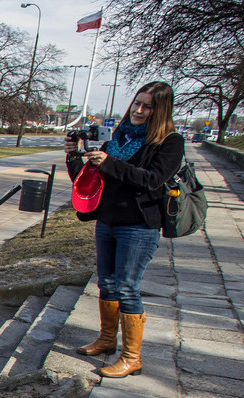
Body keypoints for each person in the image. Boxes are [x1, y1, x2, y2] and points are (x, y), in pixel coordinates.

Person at [67, 81, 184, 378]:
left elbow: (152, 180)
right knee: (106, 284)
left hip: (138, 226)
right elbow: (90, 180)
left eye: (147, 106)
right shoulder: (117, 137)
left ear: (160, 111)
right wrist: (73, 156)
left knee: (127, 288)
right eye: (137, 103)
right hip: (108, 221)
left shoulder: (169, 142)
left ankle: (132, 357)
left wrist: (111, 163)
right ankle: (107, 340)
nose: (139, 110)